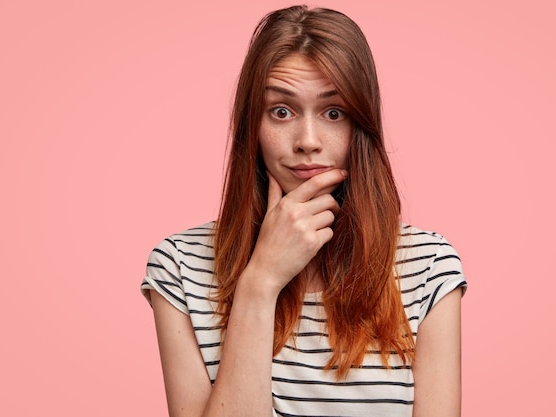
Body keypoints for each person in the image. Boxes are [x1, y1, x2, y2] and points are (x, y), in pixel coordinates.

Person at [141, 5, 466, 417]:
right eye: (281, 111)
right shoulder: (180, 267)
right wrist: (259, 283)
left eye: (334, 113)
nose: (307, 141)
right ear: (252, 126)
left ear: (360, 125)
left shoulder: (428, 265)